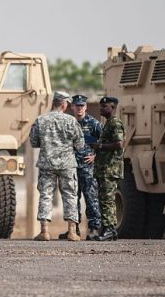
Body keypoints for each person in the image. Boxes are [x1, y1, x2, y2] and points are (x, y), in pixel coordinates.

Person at [29, 91, 84, 242]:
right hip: (67, 164)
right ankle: (72, 232)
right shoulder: (71, 121)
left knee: (46, 195)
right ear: (64, 104)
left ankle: (44, 232)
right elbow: (80, 144)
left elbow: (33, 142)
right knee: (70, 195)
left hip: (47, 164)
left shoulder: (41, 120)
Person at [57, 94, 103, 241]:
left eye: (82, 105)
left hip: (87, 168)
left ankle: (93, 229)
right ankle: (73, 229)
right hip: (71, 168)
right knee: (72, 199)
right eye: (77, 105)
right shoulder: (68, 123)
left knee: (91, 198)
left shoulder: (94, 124)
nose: (79, 108)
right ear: (72, 107)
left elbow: (105, 143)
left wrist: (96, 156)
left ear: (86, 107)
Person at [89, 96, 125, 242]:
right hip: (104, 168)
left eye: (105, 106)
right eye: (101, 106)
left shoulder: (115, 123)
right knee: (104, 199)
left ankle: (109, 229)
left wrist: (101, 146)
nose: (101, 109)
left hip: (110, 169)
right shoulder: (108, 124)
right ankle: (108, 229)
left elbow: (119, 144)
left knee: (107, 200)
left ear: (112, 107)